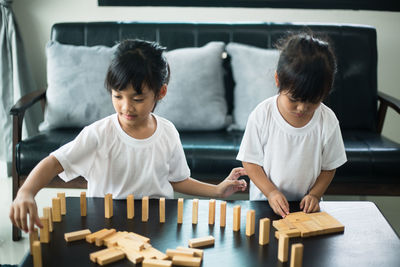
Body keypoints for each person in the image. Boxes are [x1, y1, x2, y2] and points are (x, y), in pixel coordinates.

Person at [10, 39, 247, 233]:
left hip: (157, 225)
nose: (126, 107)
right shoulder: (98, 134)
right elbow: (54, 162)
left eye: (137, 98)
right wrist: (26, 192)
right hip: (106, 224)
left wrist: (217, 191)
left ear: (160, 92)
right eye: (118, 96)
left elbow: (177, 179)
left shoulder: (167, 132)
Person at [237, 33, 347, 218]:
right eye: (294, 99)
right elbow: (250, 162)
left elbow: (329, 167)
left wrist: (315, 194)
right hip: (265, 203)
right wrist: (271, 192)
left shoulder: (327, 120)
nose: (302, 108)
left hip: (306, 208)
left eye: (313, 102)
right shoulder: (263, 114)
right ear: (278, 80)